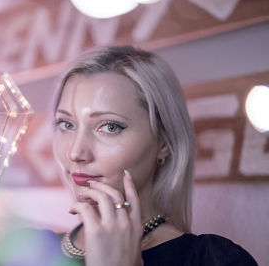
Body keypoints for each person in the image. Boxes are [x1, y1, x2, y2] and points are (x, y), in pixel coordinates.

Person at [44, 45, 257, 265]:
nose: (75, 152)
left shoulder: (213, 260)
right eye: (66, 124)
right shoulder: (27, 249)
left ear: (164, 143)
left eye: (109, 127)